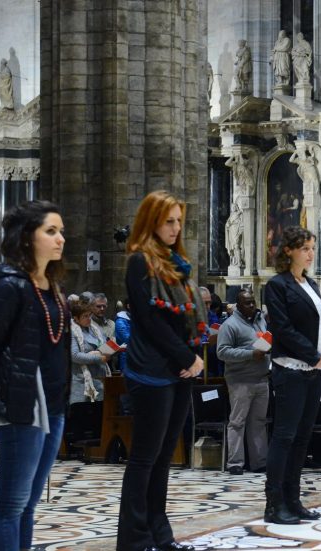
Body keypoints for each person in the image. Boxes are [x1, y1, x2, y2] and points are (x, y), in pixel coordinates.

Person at [0, 201, 68, 551]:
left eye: (61, 232)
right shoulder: (9, 285)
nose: (60, 239)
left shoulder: (53, 287)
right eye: (51, 231)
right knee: (10, 506)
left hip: (53, 408)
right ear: (27, 237)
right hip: (22, 407)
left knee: (28, 504)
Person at [117, 191, 206, 551]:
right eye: (169, 220)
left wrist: (189, 358)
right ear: (151, 220)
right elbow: (151, 322)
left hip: (176, 370)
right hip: (151, 370)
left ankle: (159, 532)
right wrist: (188, 358)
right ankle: (134, 538)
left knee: (165, 456)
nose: (175, 227)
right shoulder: (140, 261)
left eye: (179, 221)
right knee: (144, 457)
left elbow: (184, 321)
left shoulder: (175, 262)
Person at [262, 225, 321, 524]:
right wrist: (313, 355)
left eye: (312, 248)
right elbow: (283, 329)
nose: (310, 253)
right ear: (288, 250)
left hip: (313, 371)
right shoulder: (277, 285)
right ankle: (274, 504)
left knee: (302, 438)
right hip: (290, 368)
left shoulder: (312, 285)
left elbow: (319, 325)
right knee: (284, 436)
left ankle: (293, 499)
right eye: (304, 248)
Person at [217, 290, 270, 476]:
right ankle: (235, 463)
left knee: (258, 422)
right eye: (247, 303)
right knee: (238, 422)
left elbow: (264, 342)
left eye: (252, 302)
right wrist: (250, 354)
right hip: (240, 380)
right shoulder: (229, 325)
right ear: (238, 306)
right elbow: (222, 352)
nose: (251, 305)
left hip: (262, 378)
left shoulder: (260, 320)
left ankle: (259, 462)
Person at [68, 301, 111, 404]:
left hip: (100, 376)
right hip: (82, 380)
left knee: (100, 413)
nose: (89, 319)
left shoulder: (95, 329)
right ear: (76, 318)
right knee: (84, 414)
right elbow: (74, 355)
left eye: (90, 316)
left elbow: (104, 346)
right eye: (85, 316)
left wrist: (110, 351)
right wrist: (98, 357)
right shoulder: (72, 331)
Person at [115, 299, 132, 373]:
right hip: (127, 359)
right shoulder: (121, 321)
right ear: (129, 306)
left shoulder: (136, 318)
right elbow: (127, 339)